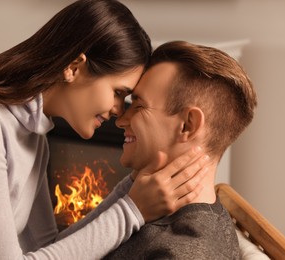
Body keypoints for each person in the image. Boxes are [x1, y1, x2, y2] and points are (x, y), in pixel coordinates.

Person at [0, 1, 209, 259]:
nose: (120, 111)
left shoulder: (33, 135)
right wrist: (133, 210)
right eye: (118, 92)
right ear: (74, 67)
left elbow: (46, 247)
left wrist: (130, 188)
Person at [103, 40, 258, 259]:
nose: (120, 121)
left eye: (138, 106)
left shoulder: (183, 252)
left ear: (188, 125)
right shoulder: (149, 207)